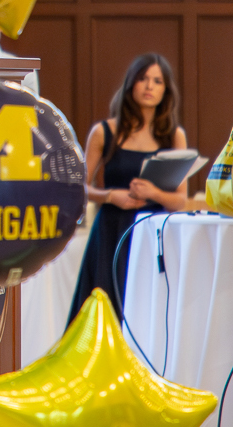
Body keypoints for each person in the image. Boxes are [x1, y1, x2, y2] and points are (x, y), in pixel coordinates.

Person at [67, 53, 188, 323]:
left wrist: (153, 194)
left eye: (157, 81)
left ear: (165, 90)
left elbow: (180, 201)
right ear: (131, 83)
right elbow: (78, 187)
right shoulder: (104, 132)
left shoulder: (173, 136)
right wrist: (110, 195)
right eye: (143, 78)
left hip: (152, 232)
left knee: (147, 315)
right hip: (111, 230)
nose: (149, 86)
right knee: (105, 313)